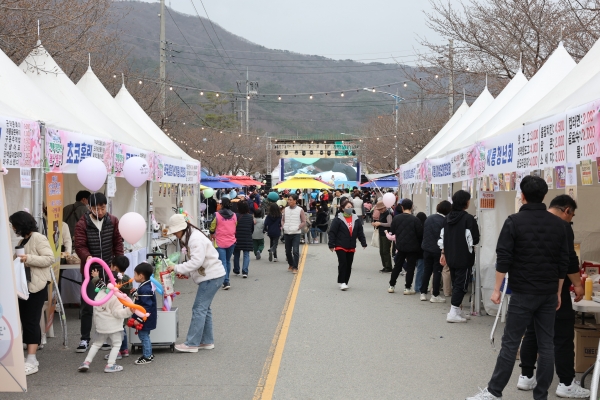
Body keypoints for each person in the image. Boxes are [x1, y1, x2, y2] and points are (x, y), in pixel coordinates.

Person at [467, 176, 569, 400]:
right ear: (544, 196)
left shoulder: (514, 221)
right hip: (548, 292)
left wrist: (496, 289)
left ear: (522, 196)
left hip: (522, 292)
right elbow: (563, 262)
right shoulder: (560, 225)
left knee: (510, 343)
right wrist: (558, 291)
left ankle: (494, 392)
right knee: (547, 345)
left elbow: (504, 257)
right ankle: (540, 395)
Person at [517, 195, 588, 398]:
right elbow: (569, 260)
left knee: (532, 331)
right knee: (562, 335)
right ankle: (566, 383)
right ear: (567, 210)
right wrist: (578, 285)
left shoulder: (526, 222)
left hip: (530, 287)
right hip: (555, 289)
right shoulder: (562, 227)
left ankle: (526, 376)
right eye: (572, 215)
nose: (570, 219)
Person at [165, 214, 226, 353]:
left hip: (211, 277)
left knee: (199, 309)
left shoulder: (194, 239)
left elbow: (196, 262)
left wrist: (177, 268)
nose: (174, 234)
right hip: (213, 275)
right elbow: (198, 262)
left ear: (180, 228)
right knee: (204, 309)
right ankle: (206, 341)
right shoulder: (193, 236)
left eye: (175, 231)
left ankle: (192, 343)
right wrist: (185, 272)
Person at [74, 193, 124, 353]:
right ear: (89, 207)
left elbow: (118, 242)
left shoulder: (113, 221)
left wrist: (119, 264)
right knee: (88, 304)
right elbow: (79, 245)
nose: (100, 212)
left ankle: (106, 337)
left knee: (109, 303)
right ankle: (84, 339)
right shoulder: (83, 223)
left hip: (109, 270)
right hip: (91, 271)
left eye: (102, 208)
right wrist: (87, 256)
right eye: (96, 209)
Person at [10, 211, 53, 376]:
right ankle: (29, 357)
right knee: (26, 320)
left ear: (21, 224)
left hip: (36, 286)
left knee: (31, 321)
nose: (13, 228)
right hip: (24, 287)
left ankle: (32, 360)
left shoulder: (38, 238)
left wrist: (27, 258)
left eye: (14, 225)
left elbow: (49, 258)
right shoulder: (22, 241)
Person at [77, 269, 132, 373]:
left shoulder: (101, 292)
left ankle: (86, 362)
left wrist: (95, 278)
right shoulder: (116, 296)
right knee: (116, 344)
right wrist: (129, 311)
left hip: (101, 326)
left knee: (96, 344)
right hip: (113, 327)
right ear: (119, 282)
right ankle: (110, 365)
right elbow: (118, 313)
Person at [438, 190, 480, 323]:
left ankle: (457, 310)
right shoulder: (468, 219)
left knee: (456, 282)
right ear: (465, 202)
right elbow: (475, 239)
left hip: (450, 255)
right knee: (461, 284)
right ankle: (453, 311)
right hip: (464, 256)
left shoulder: (447, 218)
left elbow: (443, 237)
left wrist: (443, 253)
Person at [328, 198, 367, 290]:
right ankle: (342, 282)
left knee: (349, 265)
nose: (350, 209)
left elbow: (360, 232)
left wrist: (363, 242)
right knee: (343, 263)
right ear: (342, 208)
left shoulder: (356, 219)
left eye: (351, 207)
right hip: (340, 245)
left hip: (351, 245)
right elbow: (332, 232)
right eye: (348, 207)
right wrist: (331, 244)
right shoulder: (338, 219)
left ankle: (345, 282)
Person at [387, 199, 423, 295]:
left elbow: (392, 231)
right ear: (411, 207)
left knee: (397, 266)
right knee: (410, 267)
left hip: (400, 246)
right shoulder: (415, 219)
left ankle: (391, 286)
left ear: (402, 207)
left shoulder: (396, 218)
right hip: (413, 247)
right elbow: (420, 234)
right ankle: (407, 288)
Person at [420, 201, 451, 303]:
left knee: (427, 270)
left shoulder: (429, 218)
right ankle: (435, 294)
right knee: (437, 272)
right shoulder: (445, 221)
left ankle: (423, 293)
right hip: (438, 250)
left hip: (426, 248)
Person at [105, 256, 132, 359]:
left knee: (115, 330)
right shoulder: (128, 279)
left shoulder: (114, 279)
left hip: (116, 308)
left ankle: (116, 352)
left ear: (115, 267)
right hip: (125, 308)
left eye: (111, 265)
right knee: (122, 328)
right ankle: (124, 349)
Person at [130, 262, 157, 365]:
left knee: (143, 336)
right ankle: (148, 353)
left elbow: (146, 306)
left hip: (145, 318)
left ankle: (147, 356)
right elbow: (143, 299)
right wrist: (135, 293)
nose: (134, 276)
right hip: (148, 317)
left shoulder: (145, 289)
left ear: (141, 276)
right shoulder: (146, 285)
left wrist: (139, 319)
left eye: (135, 274)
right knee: (145, 335)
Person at [210, 197, 237, 290]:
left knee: (223, 262)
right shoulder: (234, 215)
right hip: (231, 241)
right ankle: (227, 279)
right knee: (228, 261)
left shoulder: (217, 214)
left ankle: (226, 281)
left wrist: (212, 233)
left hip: (219, 241)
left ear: (221, 205)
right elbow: (235, 225)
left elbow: (212, 226)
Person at [281, 194, 307, 274]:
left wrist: (298, 227)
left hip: (296, 233)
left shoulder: (300, 210)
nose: (289, 201)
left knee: (295, 251)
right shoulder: (285, 209)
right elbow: (282, 220)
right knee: (288, 251)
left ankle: (295, 267)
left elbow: (304, 221)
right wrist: (284, 226)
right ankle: (291, 264)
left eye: (290, 200)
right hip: (287, 232)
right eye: (288, 200)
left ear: (295, 201)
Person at [233, 201, 254, 278]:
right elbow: (252, 228)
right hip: (246, 237)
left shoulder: (235, 216)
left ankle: (236, 270)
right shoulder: (250, 217)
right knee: (246, 254)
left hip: (237, 237)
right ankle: (245, 271)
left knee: (236, 254)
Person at [373, 201, 393, 273]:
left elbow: (390, 224)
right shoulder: (382, 213)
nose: (380, 210)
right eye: (379, 209)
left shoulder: (388, 214)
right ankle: (385, 266)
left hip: (387, 234)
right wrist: (376, 224)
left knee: (385, 251)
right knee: (381, 251)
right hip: (381, 233)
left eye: (381, 209)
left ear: (384, 207)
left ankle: (388, 267)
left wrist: (380, 224)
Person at [414, 211, 427, 296]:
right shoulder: (424, 228)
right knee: (421, 269)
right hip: (423, 251)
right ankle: (418, 287)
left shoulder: (416, 227)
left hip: (416, 250)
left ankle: (418, 286)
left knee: (420, 269)